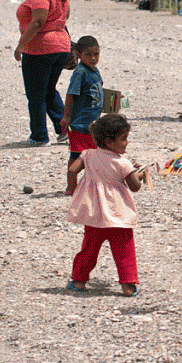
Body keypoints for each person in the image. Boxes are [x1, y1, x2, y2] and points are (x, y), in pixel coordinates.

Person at [65, 114, 146, 297]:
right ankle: (128, 285)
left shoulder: (87, 154)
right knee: (124, 250)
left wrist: (73, 189)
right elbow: (135, 187)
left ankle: (78, 281)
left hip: (94, 214)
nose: (127, 142)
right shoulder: (122, 163)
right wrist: (139, 174)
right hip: (118, 215)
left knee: (88, 249)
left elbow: (71, 170)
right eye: (123, 139)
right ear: (109, 142)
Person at [15, 0, 71, 146]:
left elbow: (38, 20)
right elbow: (66, 16)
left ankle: (39, 136)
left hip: (40, 49)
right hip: (61, 47)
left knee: (35, 95)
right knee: (48, 90)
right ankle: (64, 130)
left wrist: (21, 45)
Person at [60, 36, 103, 169]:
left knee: (92, 156)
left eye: (96, 54)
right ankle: (70, 188)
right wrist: (67, 116)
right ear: (78, 55)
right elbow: (70, 94)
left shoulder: (95, 71)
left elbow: (96, 92)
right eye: (88, 55)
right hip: (79, 125)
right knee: (76, 157)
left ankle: (88, 185)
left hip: (92, 125)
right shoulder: (80, 73)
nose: (93, 58)